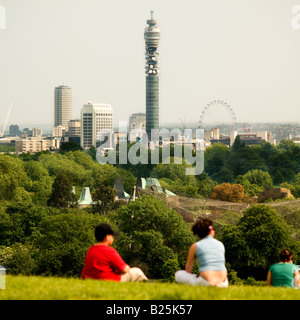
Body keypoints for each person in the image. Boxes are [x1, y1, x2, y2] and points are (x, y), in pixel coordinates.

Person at [81, 223, 148, 282]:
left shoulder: (91, 249)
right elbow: (124, 269)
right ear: (107, 237)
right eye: (112, 236)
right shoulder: (109, 251)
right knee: (137, 272)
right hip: (108, 279)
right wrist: (127, 267)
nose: (113, 238)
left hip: (90, 279)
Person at [175, 218, 228, 287]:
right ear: (211, 231)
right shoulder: (220, 244)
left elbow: (188, 270)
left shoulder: (195, 246)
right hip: (223, 283)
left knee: (178, 274)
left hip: (206, 283)